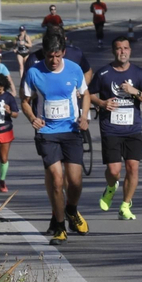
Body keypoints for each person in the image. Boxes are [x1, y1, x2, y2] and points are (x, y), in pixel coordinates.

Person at [21, 32, 91, 242]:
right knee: (57, 179)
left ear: (64, 53)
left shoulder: (74, 69)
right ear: (44, 53)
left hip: (71, 131)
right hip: (47, 133)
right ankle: (60, 227)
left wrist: (84, 117)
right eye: (50, 56)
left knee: (75, 182)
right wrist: (32, 117)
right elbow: (24, 100)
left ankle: (71, 209)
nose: (54, 60)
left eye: (58, 56)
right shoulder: (34, 72)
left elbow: (85, 94)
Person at [91, 35, 142, 220]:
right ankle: (111, 187)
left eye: (126, 48)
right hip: (110, 128)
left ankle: (126, 205)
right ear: (113, 51)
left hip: (133, 129)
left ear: (130, 50)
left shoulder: (139, 74)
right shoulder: (104, 74)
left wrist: (134, 91)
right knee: (114, 170)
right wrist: (102, 103)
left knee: (133, 167)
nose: (122, 52)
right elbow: (88, 94)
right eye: (119, 48)